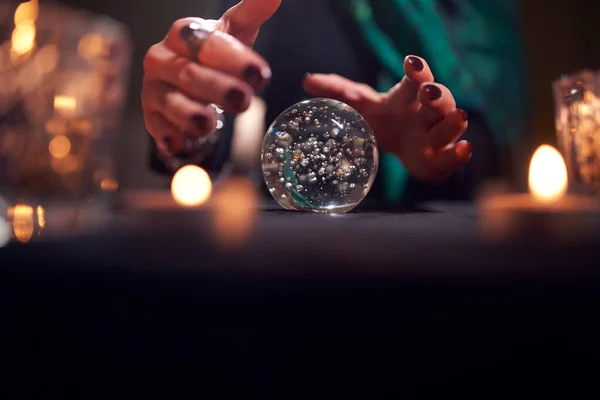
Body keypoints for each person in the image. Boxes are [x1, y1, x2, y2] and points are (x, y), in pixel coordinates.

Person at [142, 0, 528, 206]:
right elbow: (211, 132)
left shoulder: (483, 13)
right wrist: (192, 122)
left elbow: (495, 152)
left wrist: (433, 152)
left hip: (451, 266)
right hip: (292, 263)